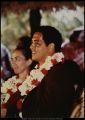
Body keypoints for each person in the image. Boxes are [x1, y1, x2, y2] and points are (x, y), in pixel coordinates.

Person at [6, 26, 83, 118]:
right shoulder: (38, 71)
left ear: (50, 47)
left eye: (37, 44)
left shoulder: (59, 73)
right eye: (31, 43)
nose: (31, 47)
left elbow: (49, 112)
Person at [1, 46, 32, 118]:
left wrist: (8, 113)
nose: (13, 63)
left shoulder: (34, 83)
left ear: (28, 61)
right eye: (12, 60)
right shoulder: (9, 82)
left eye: (17, 59)